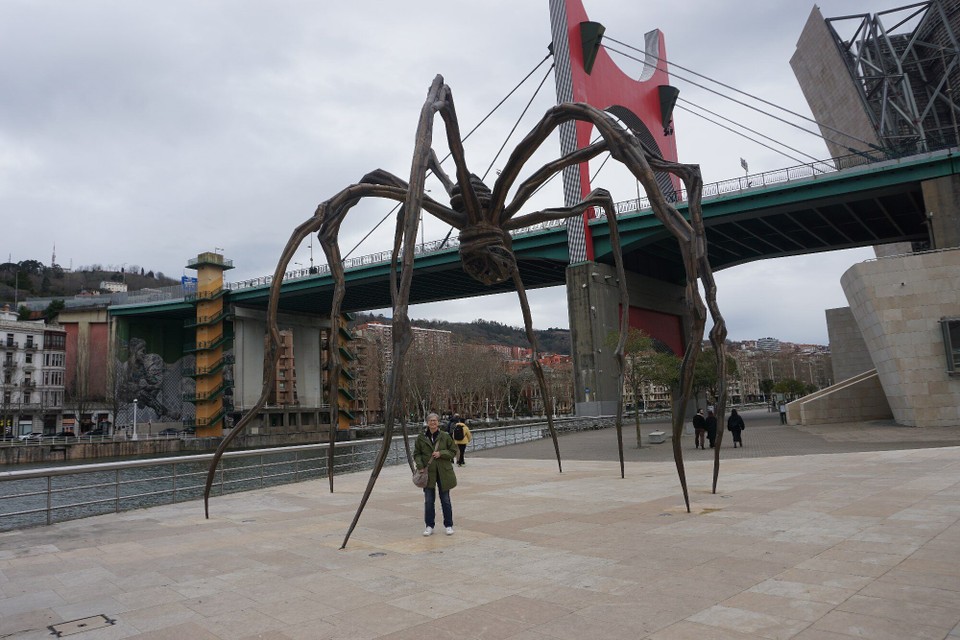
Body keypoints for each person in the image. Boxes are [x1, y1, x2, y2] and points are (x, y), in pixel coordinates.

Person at [414, 412, 458, 536]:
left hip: (444, 472)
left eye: (435, 420)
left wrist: (441, 454)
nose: (433, 423)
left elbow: (453, 451)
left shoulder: (445, 436)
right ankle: (429, 525)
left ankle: (448, 525)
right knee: (428, 500)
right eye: (430, 421)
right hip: (428, 473)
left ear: (438, 422)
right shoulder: (421, 437)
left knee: (446, 500)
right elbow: (416, 454)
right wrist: (420, 466)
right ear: (427, 423)